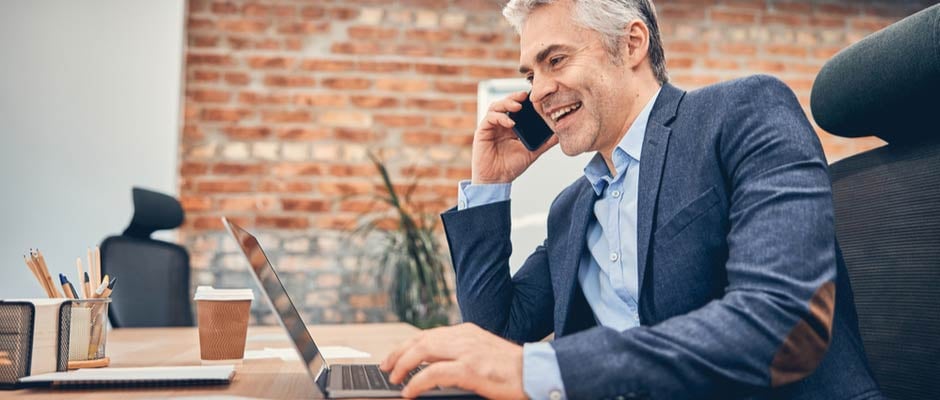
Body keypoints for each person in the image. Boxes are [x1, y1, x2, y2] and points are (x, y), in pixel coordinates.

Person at [380, 0, 880, 398]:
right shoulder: (571, 211)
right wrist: (490, 184)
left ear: (631, 42)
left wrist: (552, 370)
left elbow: (782, 321)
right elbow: (497, 333)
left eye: (555, 60)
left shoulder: (739, 115)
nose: (537, 92)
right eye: (530, 74)